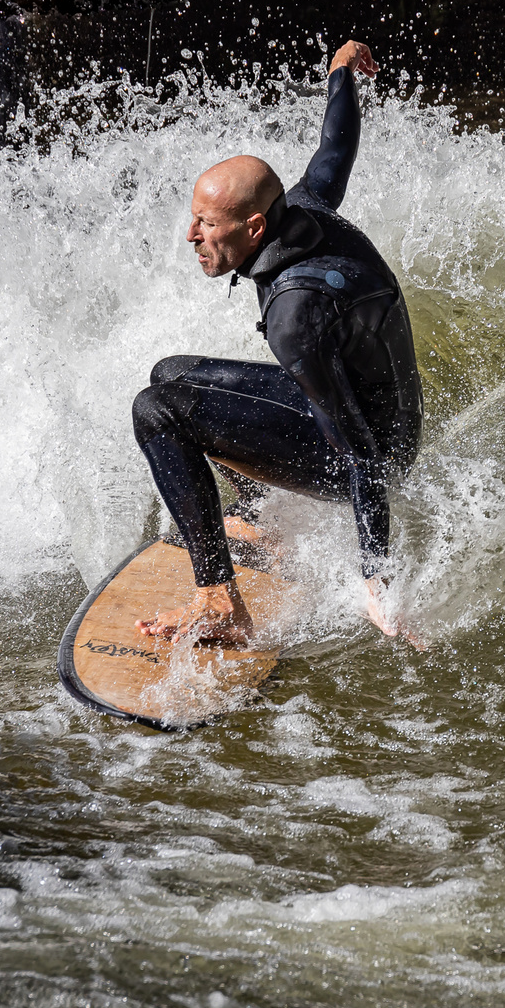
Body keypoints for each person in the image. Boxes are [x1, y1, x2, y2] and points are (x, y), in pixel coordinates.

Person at [131, 39, 422, 644]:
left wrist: (377, 580)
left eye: (208, 224)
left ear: (255, 226)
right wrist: (340, 73)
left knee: (156, 412)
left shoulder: (296, 315)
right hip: (382, 414)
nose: (192, 235)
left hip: (371, 452)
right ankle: (259, 512)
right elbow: (335, 146)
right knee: (170, 373)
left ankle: (218, 601)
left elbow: (362, 455)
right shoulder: (304, 208)